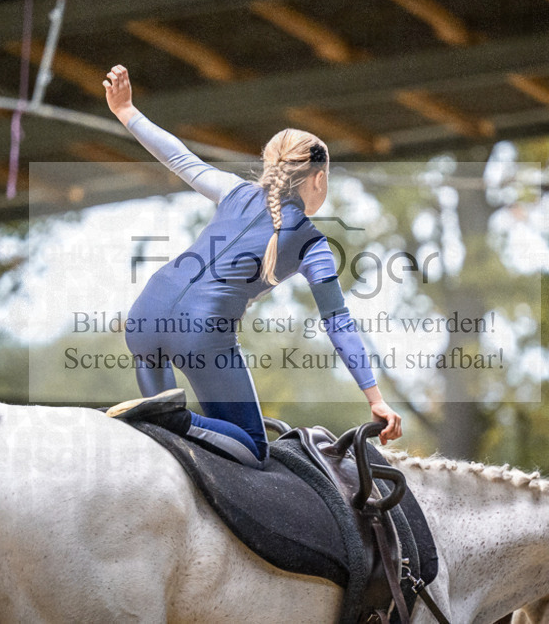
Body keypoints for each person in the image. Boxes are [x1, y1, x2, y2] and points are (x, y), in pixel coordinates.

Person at [102, 64, 402, 468]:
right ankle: (169, 417)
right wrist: (375, 398)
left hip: (143, 316)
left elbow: (180, 158)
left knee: (160, 439)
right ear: (316, 178)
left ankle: (156, 417)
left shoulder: (235, 192)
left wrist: (126, 111)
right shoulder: (312, 243)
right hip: (200, 334)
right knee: (251, 447)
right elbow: (338, 323)